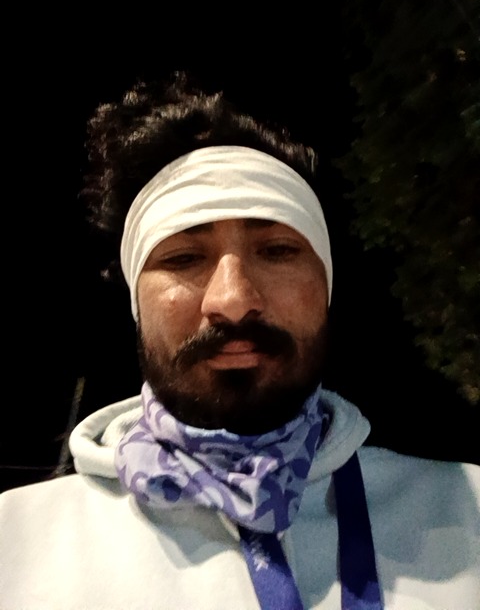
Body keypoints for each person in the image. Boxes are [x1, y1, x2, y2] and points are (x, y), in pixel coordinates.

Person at [0, 72, 478, 610]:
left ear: (325, 286)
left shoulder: (468, 513)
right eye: (184, 258)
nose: (232, 299)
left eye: (276, 251)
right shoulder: (16, 544)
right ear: (137, 302)